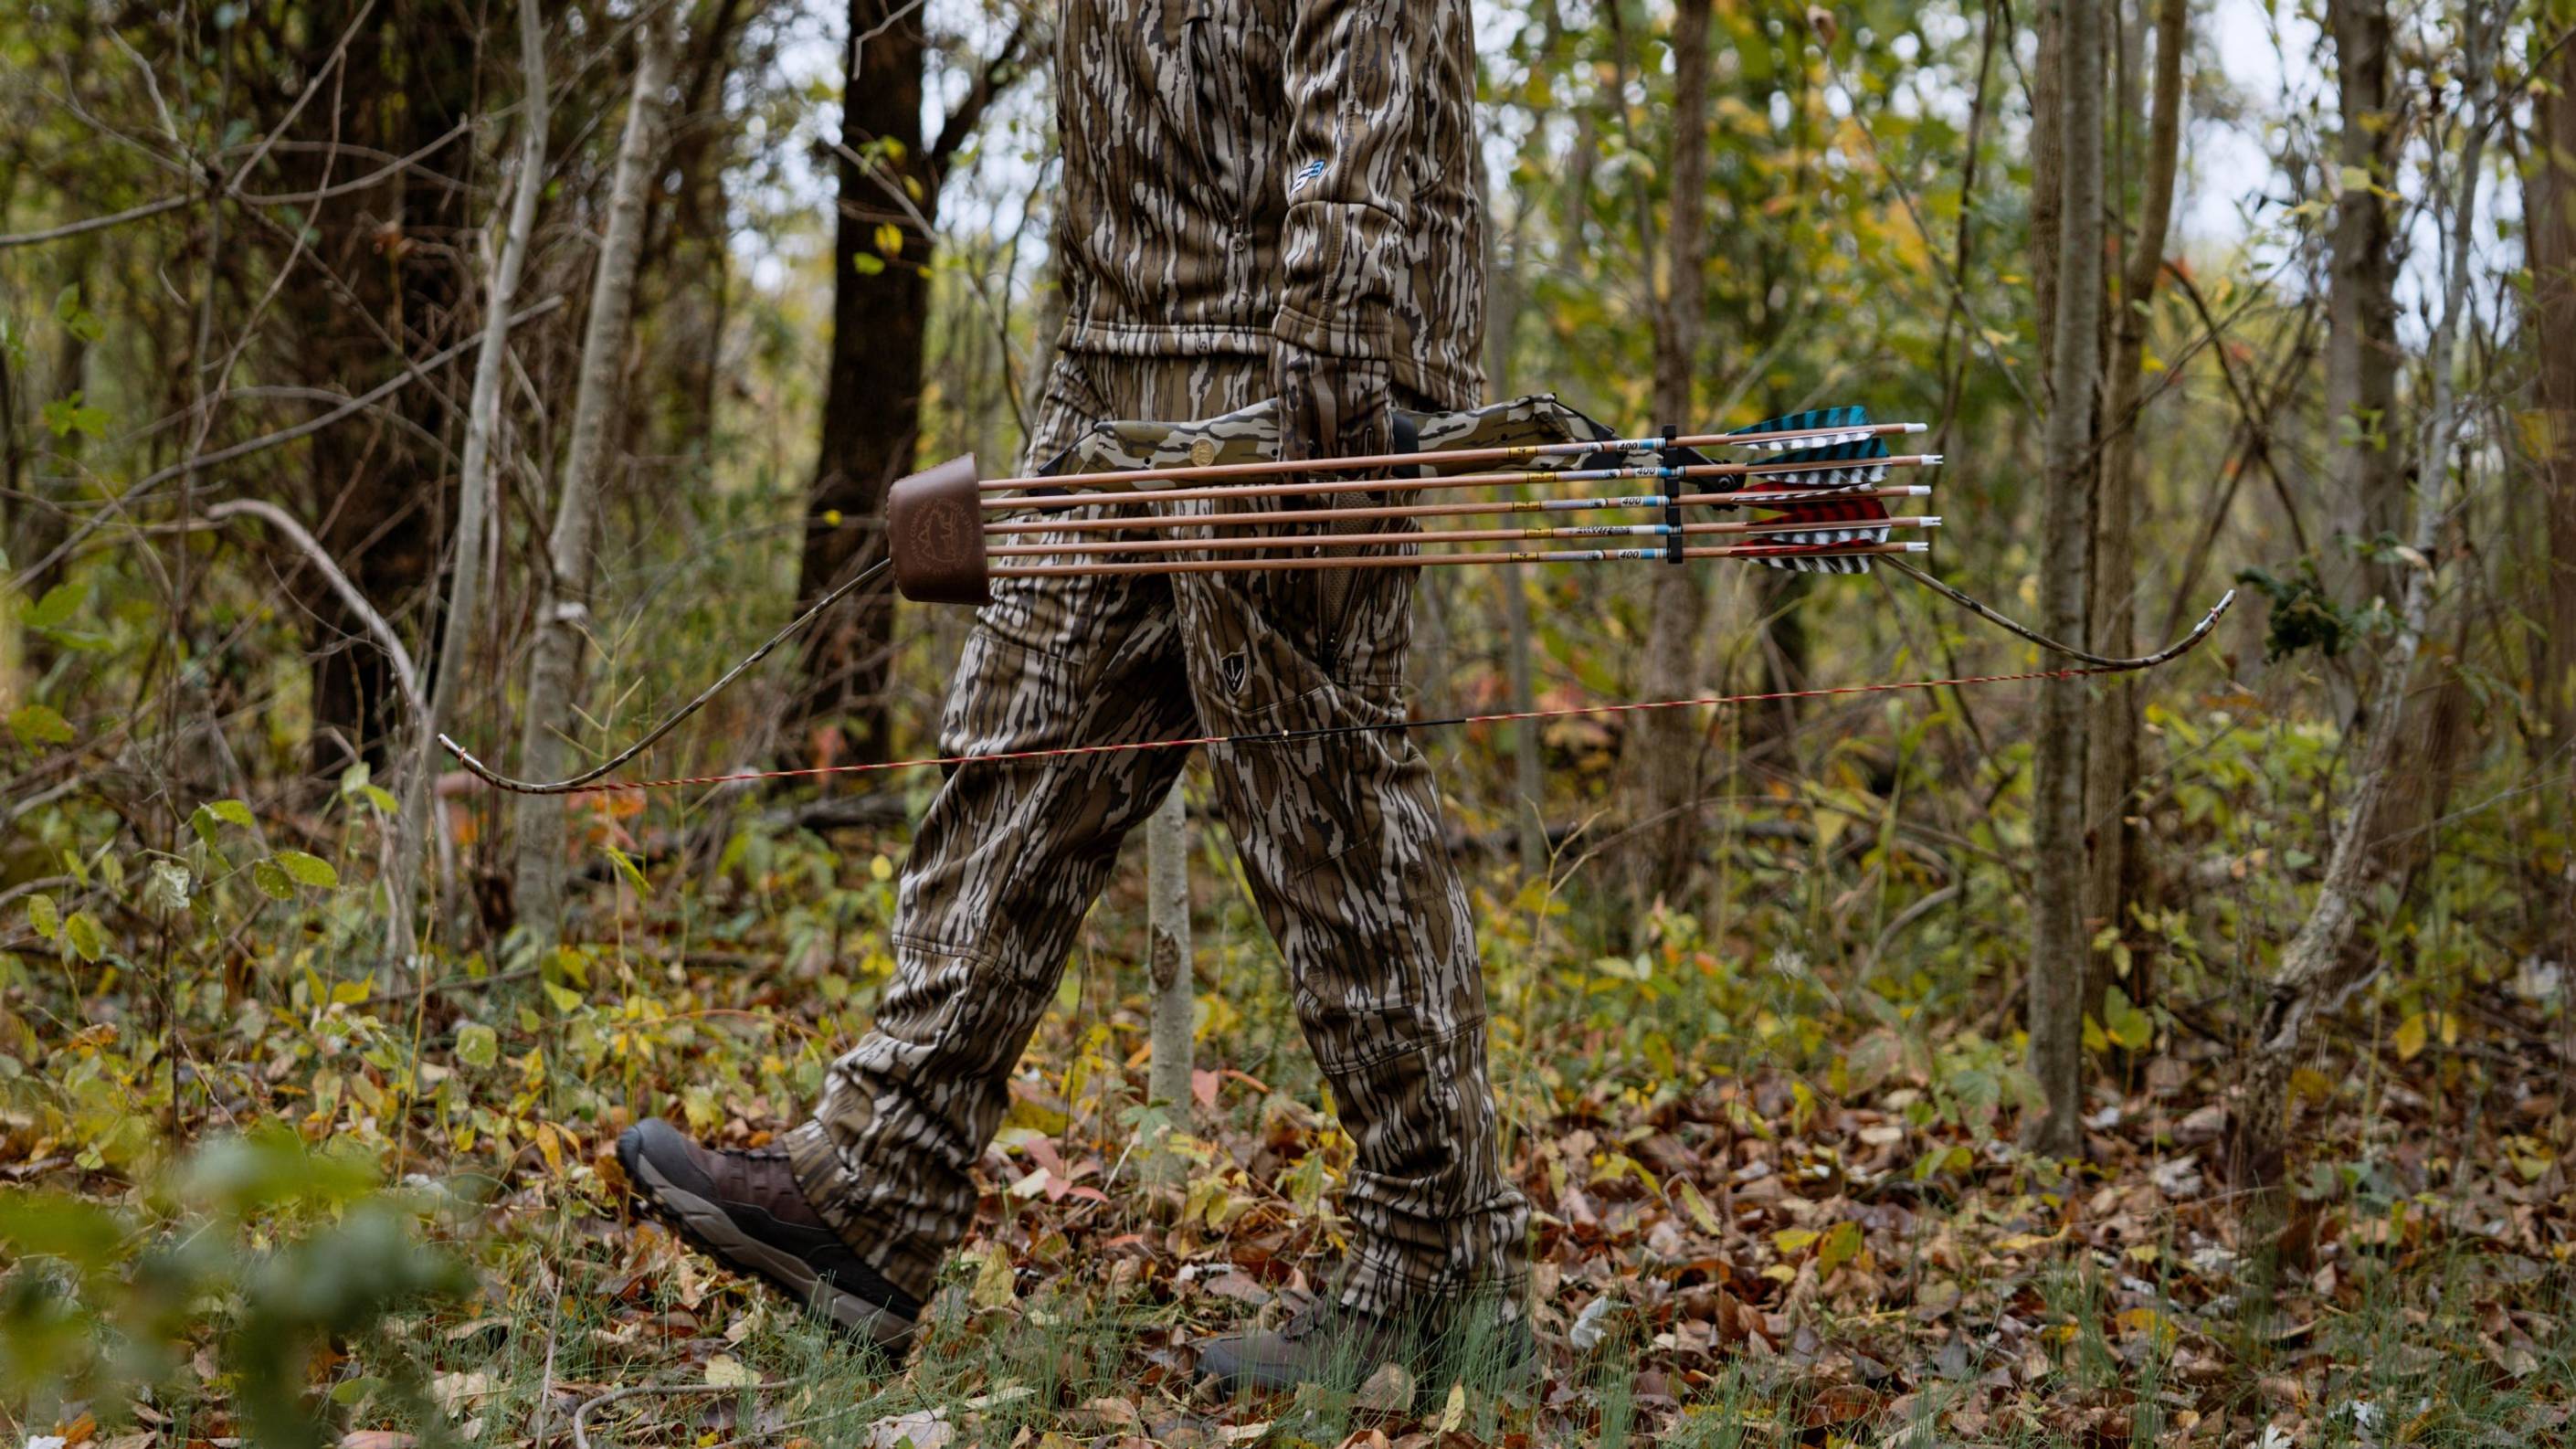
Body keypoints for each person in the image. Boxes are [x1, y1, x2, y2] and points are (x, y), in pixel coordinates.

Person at [617, 0, 1529, 1390]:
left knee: (1324, 807)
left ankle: (1440, 1264)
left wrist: (1341, 343)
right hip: (1117, 354)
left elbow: (1374, 44)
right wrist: (1077, 344)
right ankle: (876, 1180)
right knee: (1018, 753)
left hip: (1282, 360)